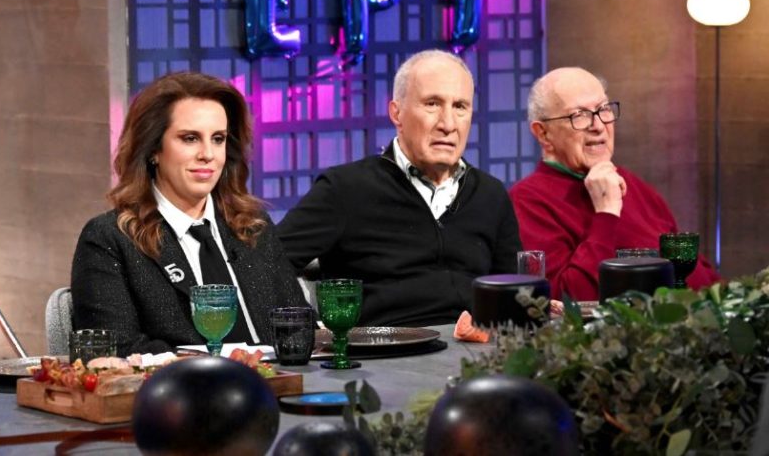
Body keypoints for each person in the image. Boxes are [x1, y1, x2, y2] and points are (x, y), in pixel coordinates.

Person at [276, 50, 521, 327]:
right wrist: (306, 330)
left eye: (460, 107)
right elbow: (265, 265)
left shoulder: (490, 194)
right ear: (397, 113)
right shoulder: (345, 189)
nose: (448, 124)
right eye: (432, 104)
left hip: (475, 344)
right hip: (386, 345)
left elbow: (515, 292)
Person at [71, 72, 307, 354]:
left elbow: (299, 326)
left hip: (275, 379)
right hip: (177, 382)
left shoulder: (253, 226)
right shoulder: (111, 239)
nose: (208, 154)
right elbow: (116, 350)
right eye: (190, 138)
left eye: (218, 139)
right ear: (153, 149)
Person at [510, 67, 720, 301]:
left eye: (603, 109)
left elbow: (698, 274)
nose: (598, 126)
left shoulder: (633, 185)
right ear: (543, 133)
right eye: (579, 115)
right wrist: (606, 213)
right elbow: (564, 301)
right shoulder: (528, 201)